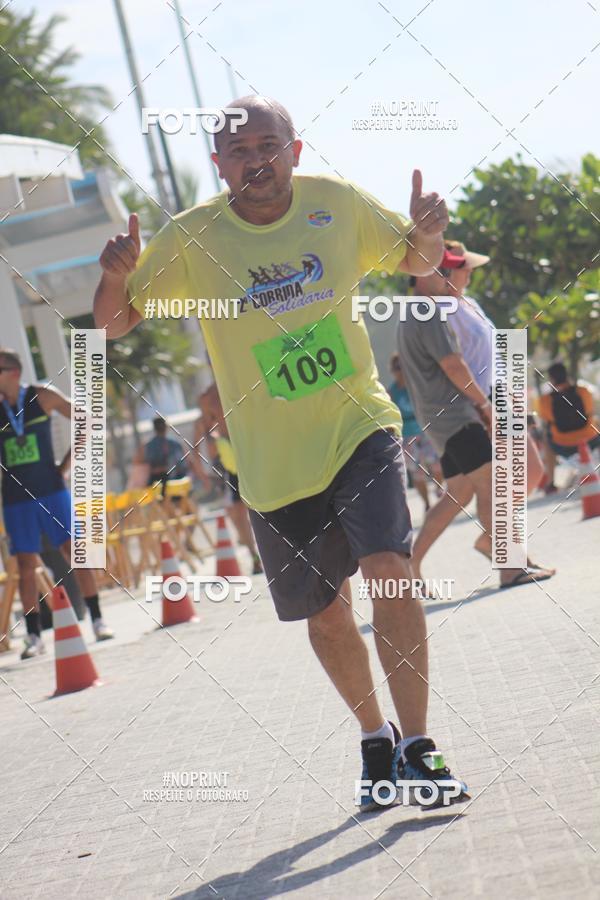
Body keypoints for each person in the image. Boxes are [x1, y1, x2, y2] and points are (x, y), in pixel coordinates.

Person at [94, 94, 469, 810]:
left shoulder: (336, 203)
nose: (255, 160)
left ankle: (420, 746)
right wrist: (115, 277)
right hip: (271, 462)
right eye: (238, 151)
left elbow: (416, 260)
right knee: (325, 613)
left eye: (268, 145)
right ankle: (376, 737)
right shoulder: (192, 237)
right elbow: (114, 323)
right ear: (218, 165)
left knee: (389, 572)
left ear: (294, 151)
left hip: (358, 424)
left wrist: (428, 232)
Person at [407, 241, 552, 574]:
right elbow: (455, 365)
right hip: (480, 403)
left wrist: (511, 395)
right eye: (464, 267)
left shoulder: (469, 303)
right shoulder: (439, 311)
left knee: (473, 488)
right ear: (446, 272)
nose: (470, 272)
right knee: (502, 480)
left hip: (498, 397)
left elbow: (492, 356)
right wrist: (483, 406)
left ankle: (486, 544)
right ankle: (508, 555)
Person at [0, 349, 113, 659]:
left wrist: (65, 466)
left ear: (13, 373)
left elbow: (87, 419)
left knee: (73, 551)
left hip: (51, 491)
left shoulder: (41, 396)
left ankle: (98, 620)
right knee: (26, 566)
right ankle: (34, 637)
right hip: (15, 499)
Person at [194, 383, 263, 574]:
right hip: (231, 458)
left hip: (235, 457)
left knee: (243, 512)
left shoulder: (212, 394)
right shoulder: (216, 392)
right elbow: (202, 434)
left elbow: (201, 436)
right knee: (241, 512)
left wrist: (202, 473)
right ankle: (254, 554)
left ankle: (256, 554)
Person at [387, 353, 442, 512]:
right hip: (407, 436)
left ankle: (439, 488)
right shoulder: (391, 392)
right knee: (417, 472)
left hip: (425, 431)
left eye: (402, 367)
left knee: (437, 464)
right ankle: (427, 504)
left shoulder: (417, 385)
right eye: (397, 368)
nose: (400, 371)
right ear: (392, 370)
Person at [537, 361, 600, 491]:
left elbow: (547, 421)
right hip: (590, 440)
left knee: (546, 440)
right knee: (596, 423)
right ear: (567, 375)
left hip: (563, 444)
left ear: (551, 379)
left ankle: (551, 483)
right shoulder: (583, 391)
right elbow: (590, 412)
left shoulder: (545, 400)